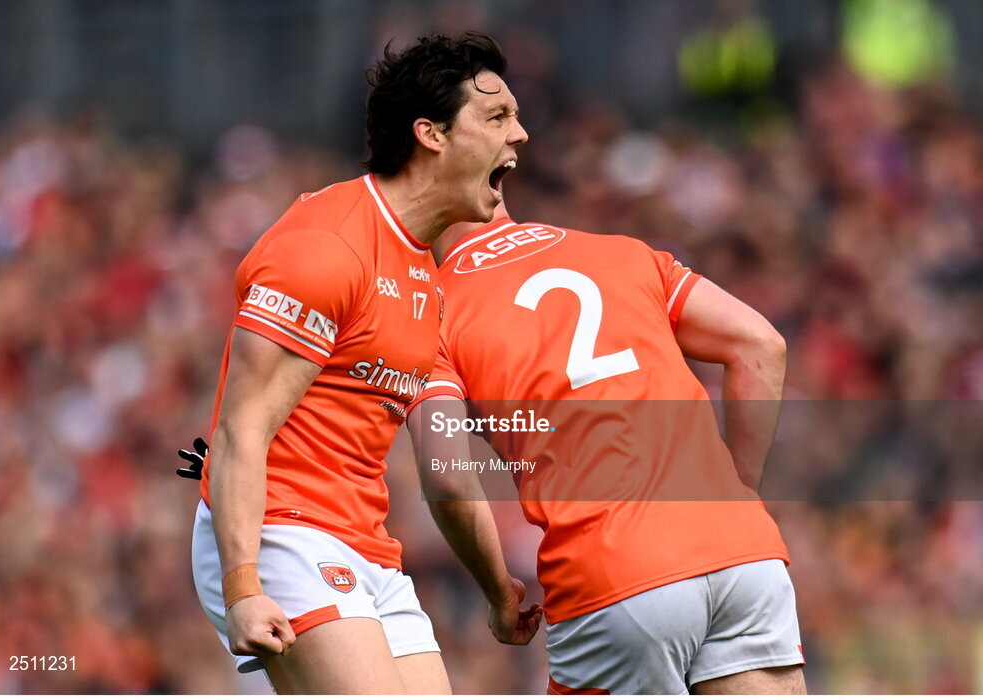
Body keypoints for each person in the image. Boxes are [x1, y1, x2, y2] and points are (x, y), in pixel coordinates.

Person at [189, 32, 528, 694]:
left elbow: (448, 471)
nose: (520, 134)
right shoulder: (328, 247)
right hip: (281, 533)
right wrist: (244, 586)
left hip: (367, 549)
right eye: (497, 117)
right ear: (431, 134)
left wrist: (500, 590)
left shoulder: (425, 279)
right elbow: (241, 429)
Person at [405, 200, 807, 694]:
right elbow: (761, 345)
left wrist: (497, 592)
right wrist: (734, 498)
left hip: (615, 575)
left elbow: (445, 473)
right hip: (743, 556)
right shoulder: (623, 253)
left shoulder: (430, 313)